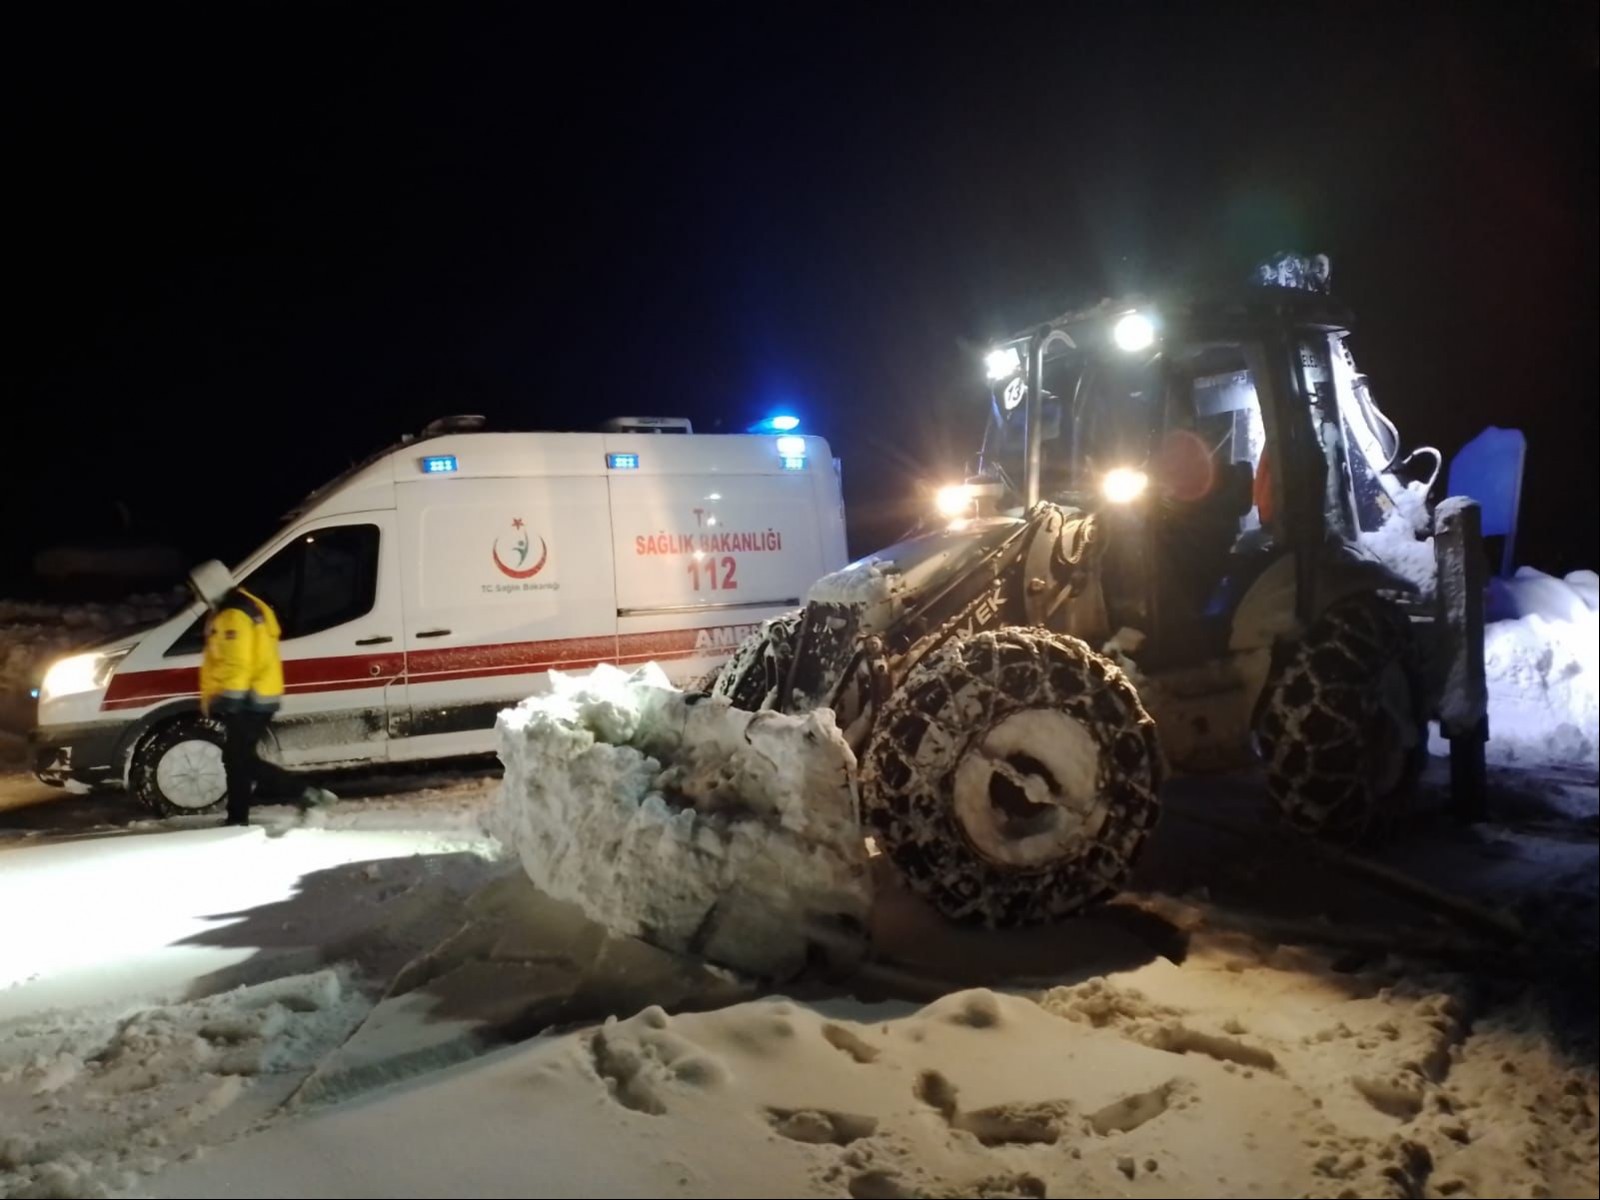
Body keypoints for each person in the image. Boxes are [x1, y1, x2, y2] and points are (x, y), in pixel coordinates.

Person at [189, 560, 336, 826]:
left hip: (248, 699)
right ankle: (240, 817)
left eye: (197, 589)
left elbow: (238, 661)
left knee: (239, 759)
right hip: (255, 696)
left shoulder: (233, 614)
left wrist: (228, 698)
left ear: (208, 586)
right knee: (239, 760)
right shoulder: (241, 605)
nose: (196, 595)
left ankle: (303, 795)